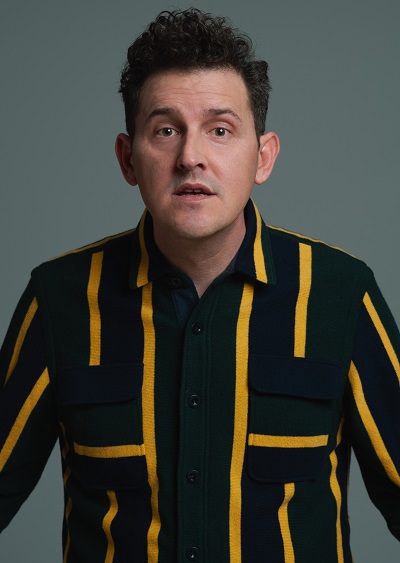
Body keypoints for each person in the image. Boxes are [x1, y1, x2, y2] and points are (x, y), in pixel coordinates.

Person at [0, 7, 399, 562]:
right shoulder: (59, 299)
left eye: (220, 130)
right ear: (128, 159)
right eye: (166, 130)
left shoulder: (341, 294)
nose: (191, 157)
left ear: (263, 157)